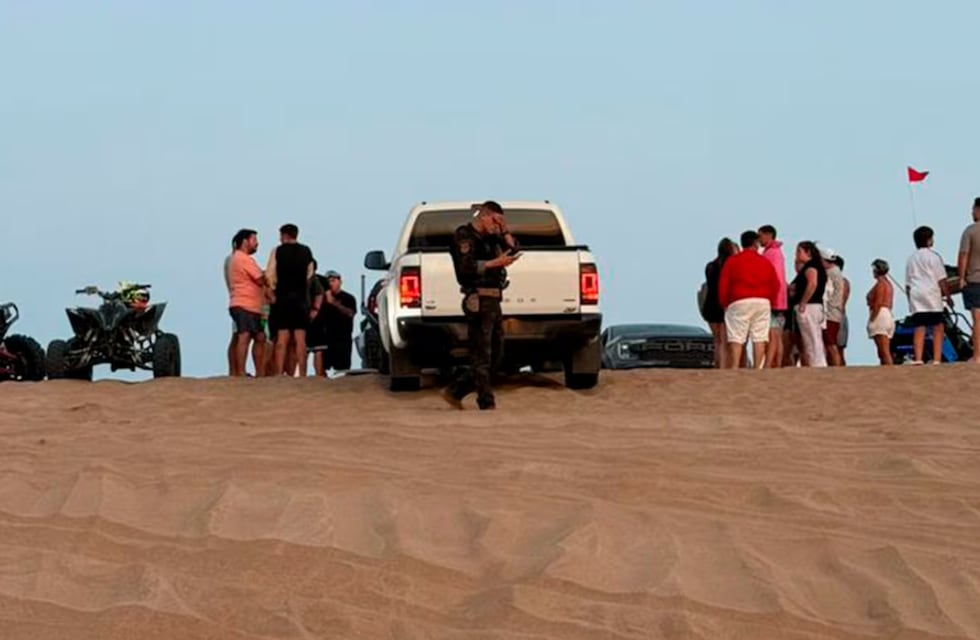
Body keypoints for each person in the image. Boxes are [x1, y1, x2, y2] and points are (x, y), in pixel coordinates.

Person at [442, 200, 519, 410]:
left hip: (494, 299)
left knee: (497, 353)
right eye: (495, 220)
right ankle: (486, 402)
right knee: (481, 353)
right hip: (478, 298)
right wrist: (495, 263)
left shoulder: (492, 237)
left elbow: (514, 249)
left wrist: (504, 231)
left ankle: (457, 390)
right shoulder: (464, 236)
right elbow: (466, 267)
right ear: (483, 216)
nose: (496, 225)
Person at [717, 230, 779, 369]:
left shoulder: (733, 261)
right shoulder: (764, 262)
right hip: (762, 300)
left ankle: (735, 366)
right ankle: (758, 367)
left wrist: (724, 303)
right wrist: (771, 300)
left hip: (739, 300)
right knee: (759, 337)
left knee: (737, 337)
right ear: (756, 243)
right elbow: (775, 284)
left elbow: (724, 283)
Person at [265, 223, 316, 376]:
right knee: (300, 338)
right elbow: (310, 272)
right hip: (300, 298)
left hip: (283, 297)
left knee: (282, 337)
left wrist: (272, 290)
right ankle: (302, 372)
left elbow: (270, 274)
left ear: (284, 235)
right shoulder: (306, 251)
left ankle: (279, 372)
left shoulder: (277, 251)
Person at [905, 225, 952, 364]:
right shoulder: (934, 257)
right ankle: (937, 358)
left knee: (920, 326)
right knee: (938, 326)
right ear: (928, 240)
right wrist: (948, 296)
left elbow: (908, 283)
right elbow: (941, 279)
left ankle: (918, 358)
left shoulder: (911, 258)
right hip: (931, 293)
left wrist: (909, 300)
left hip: (916, 293)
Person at [227, 228, 268, 376]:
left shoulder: (237, 258)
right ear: (245, 241)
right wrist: (268, 275)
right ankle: (240, 371)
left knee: (259, 337)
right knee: (244, 335)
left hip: (250, 305)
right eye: (254, 240)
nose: (257, 244)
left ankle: (259, 372)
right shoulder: (242, 258)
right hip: (244, 303)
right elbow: (260, 279)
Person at [788, 241, 828, 367]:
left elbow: (812, 283)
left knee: (810, 337)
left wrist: (803, 302)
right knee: (812, 336)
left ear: (808, 252)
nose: (796, 254)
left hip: (809, 306)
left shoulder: (811, 267)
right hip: (814, 306)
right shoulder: (815, 267)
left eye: (799, 251)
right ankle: (817, 362)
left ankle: (816, 363)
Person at [701, 238, 739, 368]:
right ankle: (723, 367)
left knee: (717, 340)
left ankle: (718, 364)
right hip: (723, 304)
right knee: (724, 341)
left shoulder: (710, 266)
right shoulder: (729, 266)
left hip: (710, 304)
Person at [758, 225, 788, 368]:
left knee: (772, 335)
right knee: (776, 334)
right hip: (780, 299)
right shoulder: (776, 252)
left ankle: (769, 363)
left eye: (761, 236)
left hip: (774, 299)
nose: (759, 239)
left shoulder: (772, 253)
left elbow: (773, 277)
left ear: (768, 235)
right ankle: (775, 362)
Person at [315, 270, 357, 375]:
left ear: (340, 281)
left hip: (343, 339)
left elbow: (350, 313)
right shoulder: (321, 299)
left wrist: (334, 303)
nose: (331, 284)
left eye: (333, 281)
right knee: (321, 367)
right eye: (328, 282)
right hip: (326, 338)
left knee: (343, 369)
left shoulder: (348, 298)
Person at [957, 196, 980, 362]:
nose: (971, 212)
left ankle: (978, 355)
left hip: (974, 280)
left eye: (973, 209)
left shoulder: (970, 231)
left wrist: (961, 277)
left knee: (977, 319)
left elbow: (963, 256)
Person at [820, 247, 845, 366]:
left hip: (831, 313)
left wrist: (831, 305)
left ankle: (836, 366)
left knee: (831, 343)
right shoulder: (833, 272)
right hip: (830, 311)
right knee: (828, 342)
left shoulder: (833, 273)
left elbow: (836, 293)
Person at [866, 258, 895, 365]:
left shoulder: (880, 284)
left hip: (880, 315)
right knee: (884, 350)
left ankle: (888, 371)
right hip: (887, 314)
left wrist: (872, 318)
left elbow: (878, 302)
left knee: (883, 351)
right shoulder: (888, 284)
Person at [833, 255, 851, 365]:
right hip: (840, 315)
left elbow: (841, 300)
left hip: (837, 315)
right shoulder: (844, 281)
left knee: (837, 348)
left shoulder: (842, 281)